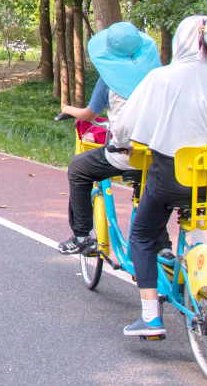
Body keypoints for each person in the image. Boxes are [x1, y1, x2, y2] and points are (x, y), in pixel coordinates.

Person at [109, 15, 207, 338]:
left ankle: (151, 316)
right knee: (194, 217)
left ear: (179, 41)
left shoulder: (160, 79)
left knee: (142, 234)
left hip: (170, 176)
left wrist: (120, 141)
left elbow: (125, 124)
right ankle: (198, 269)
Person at [57, 22, 161, 255]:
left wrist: (67, 108)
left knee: (77, 168)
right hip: (159, 154)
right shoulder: (158, 79)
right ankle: (162, 248)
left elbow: (89, 114)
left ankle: (82, 236)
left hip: (127, 155)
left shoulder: (108, 81)